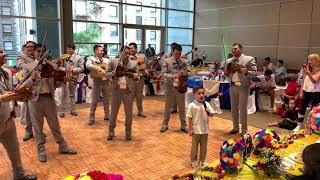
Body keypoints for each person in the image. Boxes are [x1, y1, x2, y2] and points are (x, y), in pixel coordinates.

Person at [24, 44, 77, 162]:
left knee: (55, 124)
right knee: (38, 126)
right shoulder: (29, 67)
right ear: (34, 53)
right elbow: (24, 85)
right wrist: (32, 78)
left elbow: (56, 84)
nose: (40, 53)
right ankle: (41, 149)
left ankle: (63, 146)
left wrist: (64, 81)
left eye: (43, 51)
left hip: (49, 99)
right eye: (38, 51)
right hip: (35, 100)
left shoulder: (50, 67)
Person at [0, 49, 37, 180]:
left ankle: (19, 174)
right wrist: (1, 98)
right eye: (0, 52)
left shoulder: (6, 72)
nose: (4, 54)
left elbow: (11, 91)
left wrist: (23, 94)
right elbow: (3, 96)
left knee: (14, 150)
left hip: (8, 118)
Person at [225, 43, 257, 135]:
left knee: (242, 109)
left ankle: (244, 129)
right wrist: (226, 71)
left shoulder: (249, 59)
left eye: (235, 49)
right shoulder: (229, 61)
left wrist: (246, 71)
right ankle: (235, 127)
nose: (233, 50)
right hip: (233, 86)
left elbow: (255, 73)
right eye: (232, 49)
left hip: (243, 87)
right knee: (233, 108)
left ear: (241, 49)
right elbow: (226, 73)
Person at [107, 46, 139, 141]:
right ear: (121, 52)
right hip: (116, 90)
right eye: (126, 53)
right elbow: (106, 73)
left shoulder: (134, 64)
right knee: (113, 112)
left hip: (128, 91)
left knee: (129, 113)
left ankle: (128, 132)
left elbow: (137, 78)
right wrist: (111, 74)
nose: (128, 55)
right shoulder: (113, 62)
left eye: (129, 53)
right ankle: (111, 131)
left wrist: (137, 77)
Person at [160, 44, 189, 133]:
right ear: (173, 51)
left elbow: (188, 72)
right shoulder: (166, 61)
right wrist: (173, 76)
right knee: (168, 107)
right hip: (170, 87)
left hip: (181, 87)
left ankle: (183, 125)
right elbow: (163, 74)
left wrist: (185, 73)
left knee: (182, 107)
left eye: (179, 54)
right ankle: (165, 124)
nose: (178, 55)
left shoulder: (184, 62)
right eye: (176, 53)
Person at [187, 86, 214, 168]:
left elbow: (211, 115)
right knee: (194, 147)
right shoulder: (192, 105)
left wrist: (209, 112)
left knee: (204, 147)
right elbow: (190, 118)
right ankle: (193, 160)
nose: (201, 95)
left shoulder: (207, 104)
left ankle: (203, 160)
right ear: (194, 94)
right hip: (196, 130)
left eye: (203, 93)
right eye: (199, 93)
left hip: (205, 130)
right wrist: (190, 129)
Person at [86, 45, 111, 125]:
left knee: (107, 99)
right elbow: (88, 65)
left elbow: (110, 68)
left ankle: (107, 115)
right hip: (97, 81)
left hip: (106, 81)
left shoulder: (106, 60)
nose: (102, 52)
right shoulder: (91, 59)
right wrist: (98, 68)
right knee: (95, 100)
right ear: (96, 51)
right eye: (101, 50)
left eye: (102, 50)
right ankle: (91, 117)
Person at [16, 41, 36, 141]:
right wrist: (34, 64)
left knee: (37, 112)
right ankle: (28, 131)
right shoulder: (22, 58)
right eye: (28, 47)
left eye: (32, 47)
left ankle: (37, 130)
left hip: (38, 87)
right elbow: (20, 65)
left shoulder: (37, 57)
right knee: (28, 111)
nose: (30, 48)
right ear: (25, 48)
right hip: (28, 85)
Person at [296, 54, 320, 131]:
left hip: (316, 93)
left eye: (311, 60)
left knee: (313, 110)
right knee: (302, 108)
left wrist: (308, 73)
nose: (309, 62)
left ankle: (311, 127)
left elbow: (314, 81)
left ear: (317, 60)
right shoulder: (307, 69)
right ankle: (299, 125)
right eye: (309, 60)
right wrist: (301, 91)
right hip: (306, 91)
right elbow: (303, 81)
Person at [59, 44, 84, 118]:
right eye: (67, 49)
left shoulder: (78, 57)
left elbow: (82, 68)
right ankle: (62, 111)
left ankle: (73, 110)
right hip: (65, 77)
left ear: (73, 49)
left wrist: (72, 70)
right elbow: (59, 66)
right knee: (63, 94)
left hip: (73, 77)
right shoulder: (63, 56)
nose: (68, 50)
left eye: (70, 49)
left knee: (72, 94)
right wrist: (64, 70)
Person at [129, 42, 147, 117]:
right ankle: (129, 111)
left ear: (136, 48)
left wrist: (146, 71)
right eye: (129, 48)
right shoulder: (128, 57)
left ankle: (140, 111)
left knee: (139, 95)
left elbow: (145, 66)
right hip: (131, 78)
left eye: (131, 48)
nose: (130, 50)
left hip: (140, 78)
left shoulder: (142, 56)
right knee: (130, 95)